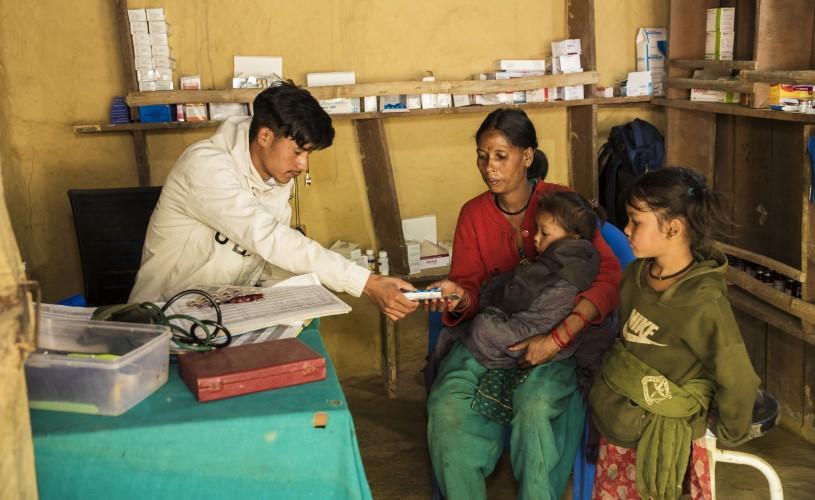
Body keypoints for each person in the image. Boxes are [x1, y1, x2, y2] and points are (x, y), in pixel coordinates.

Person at [426, 108, 622, 500]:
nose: (489, 167)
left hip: (559, 338)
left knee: (537, 408)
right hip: (492, 332)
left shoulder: (561, 202)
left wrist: (558, 338)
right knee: (447, 407)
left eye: (501, 156)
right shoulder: (473, 216)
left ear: (527, 156)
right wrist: (459, 295)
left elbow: (607, 275)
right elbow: (470, 290)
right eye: (483, 156)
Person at [129, 81, 417, 321]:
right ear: (265, 135)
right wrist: (365, 282)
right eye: (298, 152)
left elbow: (265, 261)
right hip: (162, 318)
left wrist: (303, 296)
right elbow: (268, 237)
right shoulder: (206, 167)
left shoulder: (277, 180)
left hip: (219, 315)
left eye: (309, 155)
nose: (303, 165)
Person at [588, 167, 761, 500]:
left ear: (674, 228)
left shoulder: (703, 302)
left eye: (636, 221)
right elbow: (626, 347)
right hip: (622, 426)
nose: (626, 229)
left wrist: (721, 431)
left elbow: (738, 377)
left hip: (671, 439)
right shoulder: (634, 277)